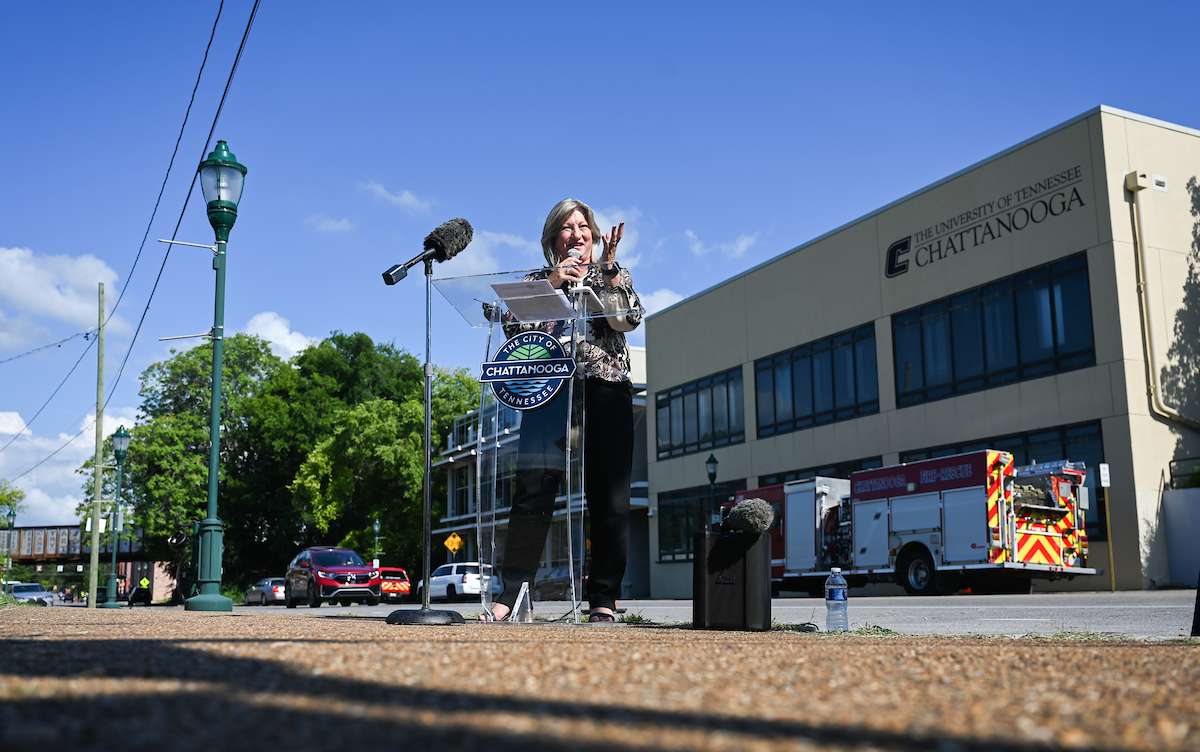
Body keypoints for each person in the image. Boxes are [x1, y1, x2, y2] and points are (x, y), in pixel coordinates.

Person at [485, 198, 642, 623]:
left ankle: (604, 600)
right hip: (549, 392)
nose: (578, 234)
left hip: (605, 388)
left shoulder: (614, 273)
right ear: (555, 238)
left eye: (584, 226)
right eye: (568, 228)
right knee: (533, 495)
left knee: (608, 497)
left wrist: (607, 271)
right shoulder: (539, 279)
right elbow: (512, 326)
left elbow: (628, 321)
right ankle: (514, 596)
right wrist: (552, 283)